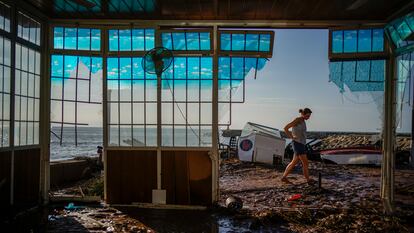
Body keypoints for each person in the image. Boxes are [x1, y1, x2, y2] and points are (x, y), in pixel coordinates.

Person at [281, 108, 313, 184]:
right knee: (305, 163)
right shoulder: (298, 120)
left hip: (301, 144)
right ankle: (308, 180)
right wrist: (291, 137)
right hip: (297, 144)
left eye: (309, 116)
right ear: (303, 114)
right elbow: (286, 128)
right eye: (307, 116)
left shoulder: (303, 121)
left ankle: (284, 177)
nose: (308, 117)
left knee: (293, 162)